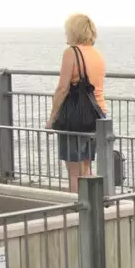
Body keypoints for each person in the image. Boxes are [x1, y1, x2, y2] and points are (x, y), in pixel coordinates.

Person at [48, 13, 107, 194]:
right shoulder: (97, 54)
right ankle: (92, 207)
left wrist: (52, 117)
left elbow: (62, 88)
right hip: (97, 114)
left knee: (74, 171)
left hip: (76, 118)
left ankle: (77, 211)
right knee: (87, 167)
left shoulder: (72, 52)